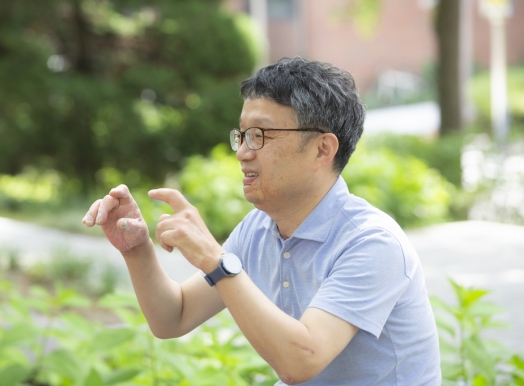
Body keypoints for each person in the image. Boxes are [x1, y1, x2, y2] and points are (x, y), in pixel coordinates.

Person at [82, 57, 441, 385]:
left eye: (260, 135)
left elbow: (301, 361)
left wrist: (216, 260)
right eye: (241, 135)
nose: (241, 152)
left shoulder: (373, 243)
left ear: (322, 149)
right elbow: (172, 318)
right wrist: (137, 248)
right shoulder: (259, 228)